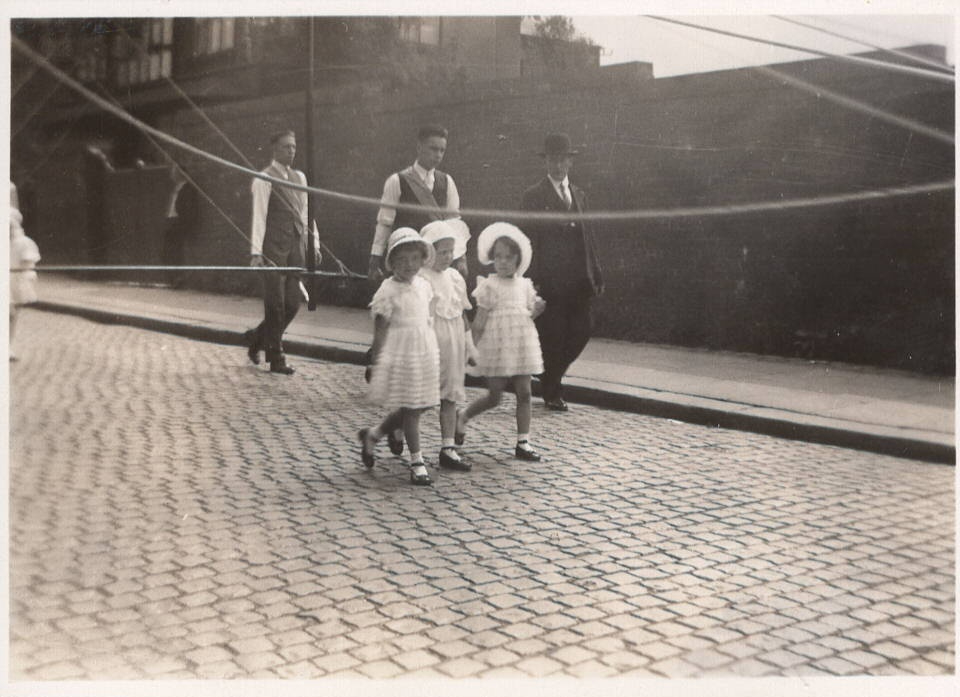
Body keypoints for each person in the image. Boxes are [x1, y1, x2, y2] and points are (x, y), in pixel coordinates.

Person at [521, 133, 604, 412]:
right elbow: (528, 239)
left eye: (562, 160)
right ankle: (552, 391)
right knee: (554, 336)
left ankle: (548, 375)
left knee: (583, 330)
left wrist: (596, 272)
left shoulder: (579, 195)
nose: (557, 166)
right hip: (550, 281)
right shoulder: (533, 196)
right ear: (545, 162)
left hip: (578, 280)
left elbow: (588, 236)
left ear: (570, 162)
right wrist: (532, 279)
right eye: (552, 160)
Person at [455, 223, 546, 462]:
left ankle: (523, 442)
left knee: (525, 393)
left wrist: (536, 311)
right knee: (495, 396)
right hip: (497, 346)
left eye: (509, 257)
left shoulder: (525, 286)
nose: (503, 262)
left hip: (521, 345)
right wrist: (471, 348)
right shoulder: (489, 285)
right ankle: (463, 415)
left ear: (519, 259)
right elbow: (479, 323)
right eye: (498, 257)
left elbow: (524, 317)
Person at [358, 228, 440, 486]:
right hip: (401, 353)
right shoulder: (387, 290)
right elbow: (380, 330)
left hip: (422, 350)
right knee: (412, 409)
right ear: (392, 262)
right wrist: (376, 361)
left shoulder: (424, 285)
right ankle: (417, 462)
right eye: (402, 260)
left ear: (422, 260)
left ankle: (374, 434)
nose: (409, 265)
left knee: (421, 404)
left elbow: (428, 318)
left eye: (414, 259)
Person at [242, 130, 315, 375]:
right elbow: (259, 216)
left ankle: (257, 338)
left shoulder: (300, 178)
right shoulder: (264, 178)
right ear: (275, 149)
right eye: (286, 147)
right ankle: (276, 358)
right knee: (275, 304)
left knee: (292, 304)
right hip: (272, 247)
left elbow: (305, 213)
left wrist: (312, 243)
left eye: (293, 146)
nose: (291, 151)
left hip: (295, 246)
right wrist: (256, 252)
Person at [367, 124, 464, 284]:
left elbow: (454, 224)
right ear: (419, 148)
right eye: (433, 149)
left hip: (436, 264)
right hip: (408, 263)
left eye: (442, 150)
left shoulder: (447, 182)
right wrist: (375, 258)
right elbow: (385, 223)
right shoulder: (396, 181)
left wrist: (461, 258)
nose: (438, 155)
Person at [419, 220, 473, 472]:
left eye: (451, 252)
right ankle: (393, 428)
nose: (448, 257)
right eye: (442, 252)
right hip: (430, 342)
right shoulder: (422, 278)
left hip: (453, 343)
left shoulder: (455, 278)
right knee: (421, 397)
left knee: (450, 394)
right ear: (429, 252)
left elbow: (462, 314)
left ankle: (448, 448)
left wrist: (470, 345)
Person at [9, 182, 40, 362]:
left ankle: (7, 346)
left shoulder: (10, 187)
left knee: (11, 313)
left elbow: (15, 216)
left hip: (12, 273)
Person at [160, 165, 199, 288]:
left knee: (174, 250)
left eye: (174, 172)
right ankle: (174, 278)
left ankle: (178, 277)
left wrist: (182, 223)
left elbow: (188, 210)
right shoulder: (177, 188)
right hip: (173, 221)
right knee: (169, 250)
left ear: (181, 174)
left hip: (179, 222)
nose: (172, 174)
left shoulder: (188, 188)